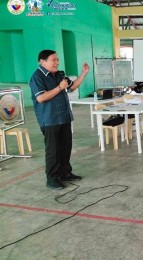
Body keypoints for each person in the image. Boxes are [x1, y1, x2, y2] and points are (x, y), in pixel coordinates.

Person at [29, 50, 90, 189]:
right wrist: (59, 87)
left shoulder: (58, 74)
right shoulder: (37, 77)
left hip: (64, 117)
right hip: (50, 119)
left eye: (57, 60)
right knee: (53, 151)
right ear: (42, 62)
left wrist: (83, 73)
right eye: (53, 60)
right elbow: (41, 97)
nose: (57, 62)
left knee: (65, 147)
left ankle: (65, 173)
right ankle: (52, 179)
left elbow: (72, 87)